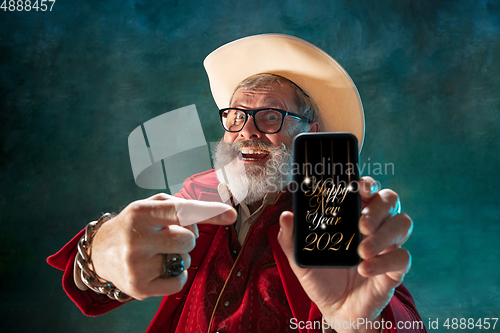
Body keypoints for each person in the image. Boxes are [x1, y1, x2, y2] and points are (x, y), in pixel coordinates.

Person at [48, 34, 426, 333]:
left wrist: (363, 326)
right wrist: (101, 249)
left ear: (309, 132)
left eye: (269, 117)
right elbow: (99, 279)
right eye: (236, 116)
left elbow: (401, 318)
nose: (248, 131)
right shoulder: (198, 194)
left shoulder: (335, 210)